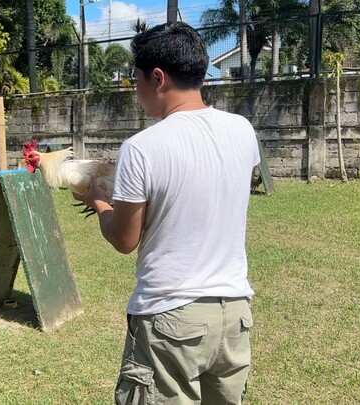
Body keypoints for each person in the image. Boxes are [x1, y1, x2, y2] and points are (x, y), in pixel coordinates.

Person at [73, 22, 260, 405]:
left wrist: (100, 203)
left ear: (157, 78)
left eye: (135, 78)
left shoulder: (142, 147)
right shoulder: (243, 130)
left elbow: (125, 240)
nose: (134, 89)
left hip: (170, 318)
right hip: (234, 315)